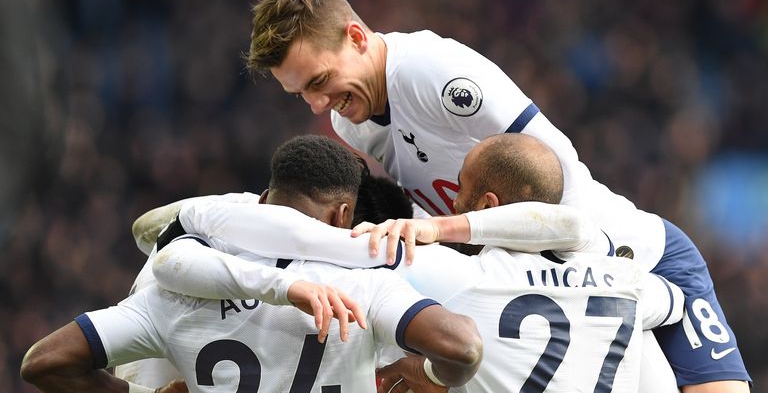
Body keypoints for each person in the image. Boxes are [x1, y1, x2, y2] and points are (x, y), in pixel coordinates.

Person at [244, 0, 751, 391]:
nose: (316, 105)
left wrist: (574, 284)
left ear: (356, 38)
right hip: (562, 291)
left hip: (630, 257)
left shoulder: (431, 72)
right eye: (300, 94)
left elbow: (559, 175)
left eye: (318, 81)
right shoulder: (350, 119)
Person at [145, 133, 684, 392]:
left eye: (461, 193)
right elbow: (584, 236)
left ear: (490, 207)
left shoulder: (451, 276)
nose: (448, 205)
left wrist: (244, 207)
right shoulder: (629, 282)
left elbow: (150, 232)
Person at [20, 135, 483, 392]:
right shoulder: (362, 287)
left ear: (261, 200)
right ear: (345, 217)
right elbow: (462, 348)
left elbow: (44, 363)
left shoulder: (176, 286)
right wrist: (425, 375)